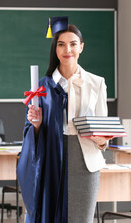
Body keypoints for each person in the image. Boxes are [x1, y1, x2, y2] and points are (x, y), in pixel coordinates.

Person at [17, 19, 112, 223]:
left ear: (81, 47)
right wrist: (36, 124)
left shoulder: (97, 83)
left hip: (84, 160)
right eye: (61, 44)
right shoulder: (42, 86)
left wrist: (100, 139)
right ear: (55, 49)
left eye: (73, 43)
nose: (67, 49)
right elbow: (31, 132)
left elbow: (105, 135)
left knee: (80, 218)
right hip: (51, 156)